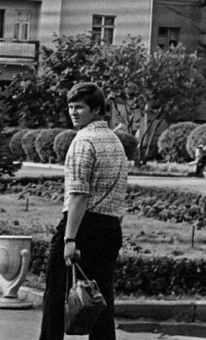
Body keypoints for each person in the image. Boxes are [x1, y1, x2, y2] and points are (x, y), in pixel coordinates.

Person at [38, 82, 129, 340]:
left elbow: (79, 194)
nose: (73, 112)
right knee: (102, 296)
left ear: (96, 109)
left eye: (79, 107)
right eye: (70, 107)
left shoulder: (83, 141)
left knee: (55, 293)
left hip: (81, 226)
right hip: (110, 227)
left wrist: (69, 239)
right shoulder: (116, 142)